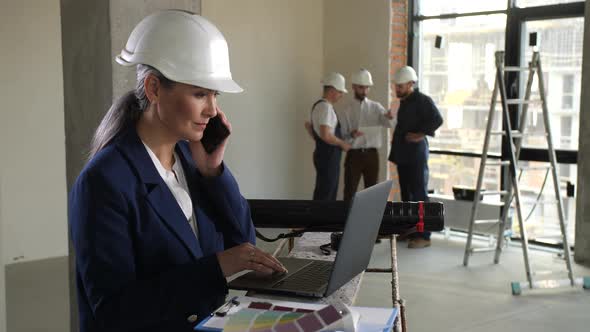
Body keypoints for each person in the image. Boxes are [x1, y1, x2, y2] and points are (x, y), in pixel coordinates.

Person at [69, 11, 286, 332]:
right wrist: (216, 268)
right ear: (154, 89)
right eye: (200, 94)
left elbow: (244, 242)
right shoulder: (104, 181)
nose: (212, 110)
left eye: (215, 95)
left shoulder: (191, 157)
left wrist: (213, 172)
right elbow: (114, 310)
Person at [388, 66, 443, 249]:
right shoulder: (405, 101)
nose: (397, 89)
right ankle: (410, 230)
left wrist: (420, 134)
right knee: (407, 194)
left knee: (419, 194)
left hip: (416, 154)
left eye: (401, 86)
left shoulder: (422, 100)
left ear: (411, 84)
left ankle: (424, 236)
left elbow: (437, 119)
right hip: (404, 154)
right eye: (396, 86)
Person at [338, 68, 395, 202]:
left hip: (372, 155)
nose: (364, 91)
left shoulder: (376, 107)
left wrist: (389, 117)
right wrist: (351, 134)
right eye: (361, 87)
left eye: (367, 88)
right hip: (354, 154)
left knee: (372, 192)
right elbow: (342, 136)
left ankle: (370, 222)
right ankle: (347, 222)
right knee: (349, 191)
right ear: (353, 87)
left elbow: (389, 124)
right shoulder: (347, 109)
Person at [304, 72, 351, 200]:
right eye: (340, 92)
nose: (341, 95)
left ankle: (317, 218)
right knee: (327, 193)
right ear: (332, 90)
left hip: (322, 153)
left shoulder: (318, 106)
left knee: (322, 190)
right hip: (329, 156)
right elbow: (326, 134)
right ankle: (322, 219)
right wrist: (343, 144)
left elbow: (309, 126)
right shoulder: (326, 108)